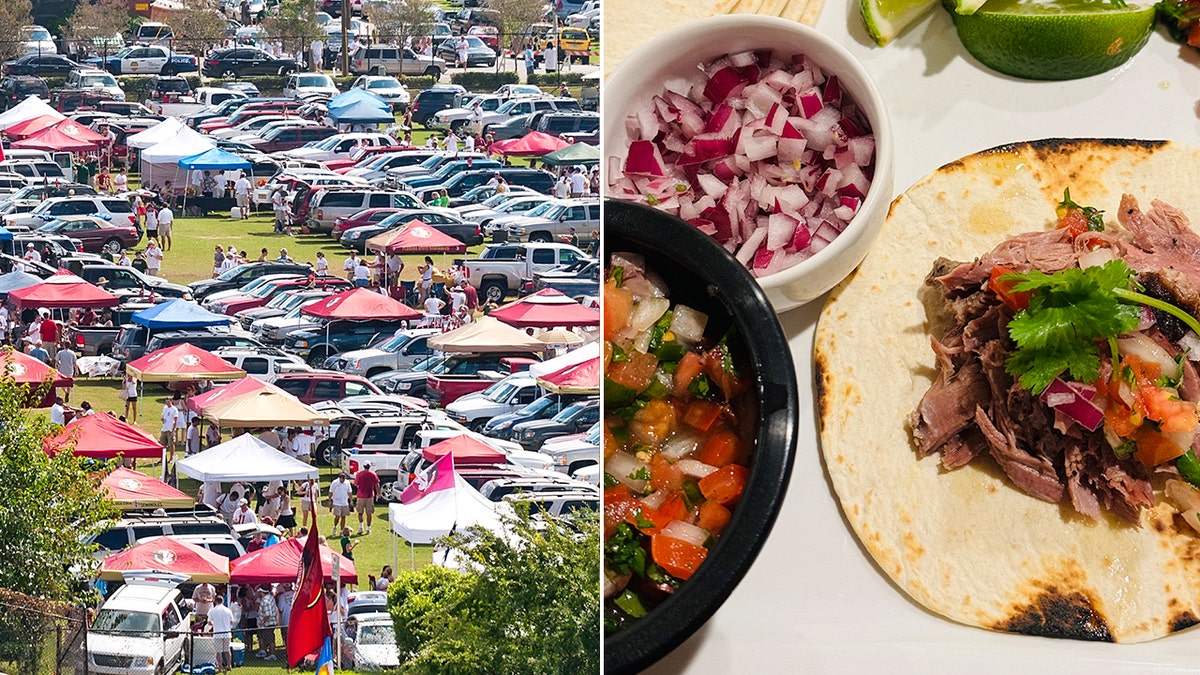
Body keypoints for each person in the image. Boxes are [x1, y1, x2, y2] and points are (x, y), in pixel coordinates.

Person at [208, 595, 234, 673]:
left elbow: (209, 622)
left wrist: (214, 624)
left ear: (215, 601)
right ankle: (229, 665)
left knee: (218, 651)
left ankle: (220, 666)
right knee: (227, 650)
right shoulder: (228, 610)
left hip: (217, 633)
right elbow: (232, 621)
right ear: (222, 601)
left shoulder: (212, 611)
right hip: (227, 633)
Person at [353, 461, 380, 534]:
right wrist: (378, 493)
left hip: (360, 496)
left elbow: (355, 483)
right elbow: (377, 484)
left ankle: (361, 527)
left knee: (360, 512)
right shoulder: (373, 474)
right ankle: (368, 528)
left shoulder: (359, 474)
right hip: (370, 496)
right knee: (369, 513)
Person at [256, 586, 278, 660]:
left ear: (262, 592)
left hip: (268, 623)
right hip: (271, 622)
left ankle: (272, 654)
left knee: (270, 639)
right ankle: (268, 653)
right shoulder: (270, 597)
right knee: (269, 638)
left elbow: (268, 614)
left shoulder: (265, 601)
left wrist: (262, 621)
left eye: (259, 592)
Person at [328, 472, 352, 536]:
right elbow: (331, 492)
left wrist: (351, 500)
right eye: (342, 479)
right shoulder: (334, 483)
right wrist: (330, 500)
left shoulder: (347, 483)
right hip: (336, 502)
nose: (343, 480)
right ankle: (335, 527)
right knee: (337, 516)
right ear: (339, 478)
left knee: (343, 517)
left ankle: (342, 531)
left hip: (345, 502)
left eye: (344, 479)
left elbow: (349, 492)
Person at [160, 398, 178, 462]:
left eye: (168, 402)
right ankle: (162, 458)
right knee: (162, 444)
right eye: (166, 402)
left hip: (170, 429)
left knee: (171, 444)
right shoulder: (165, 408)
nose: (167, 403)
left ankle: (171, 458)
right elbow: (163, 416)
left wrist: (173, 430)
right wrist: (162, 419)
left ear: (171, 401)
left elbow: (176, 420)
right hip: (164, 428)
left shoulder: (174, 409)